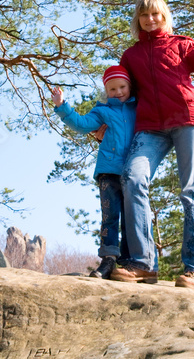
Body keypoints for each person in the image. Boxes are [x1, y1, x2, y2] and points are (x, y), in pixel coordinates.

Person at [110, 0, 194, 290]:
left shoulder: (181, 44)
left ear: (164, 16)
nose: (150, 20)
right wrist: (105, 122)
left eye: (156, 14)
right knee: (132, 178)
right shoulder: (131, 56)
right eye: (144, 15)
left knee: (192, 191)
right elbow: (121, 92)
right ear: (137, 19)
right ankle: (142, 263)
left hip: (188, 120)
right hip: (150, 127)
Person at [51, 65, 137, 279]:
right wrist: (62, 106)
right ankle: (108, 261)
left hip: (134, 172)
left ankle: (128, 262)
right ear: (106, 92)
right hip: (108, 172)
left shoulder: (139, 109)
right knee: (110, 216)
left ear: (130, 86)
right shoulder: (103, 111)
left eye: (122, 87)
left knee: (132, 217)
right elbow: (81, 125)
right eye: (112, 89)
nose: (118, 92)